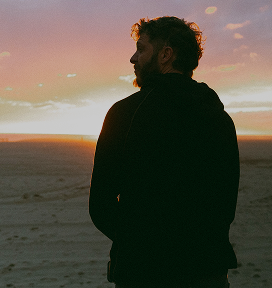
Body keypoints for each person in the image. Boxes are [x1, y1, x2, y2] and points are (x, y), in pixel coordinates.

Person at [89, 16, 239, 288]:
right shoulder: (219, 118)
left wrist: (142, 245)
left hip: (144, 272)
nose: (133, 58)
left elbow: (101, 206)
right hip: (208, 272)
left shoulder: (125, 114)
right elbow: (226, 203)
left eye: (141, 49)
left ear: (166, 55)